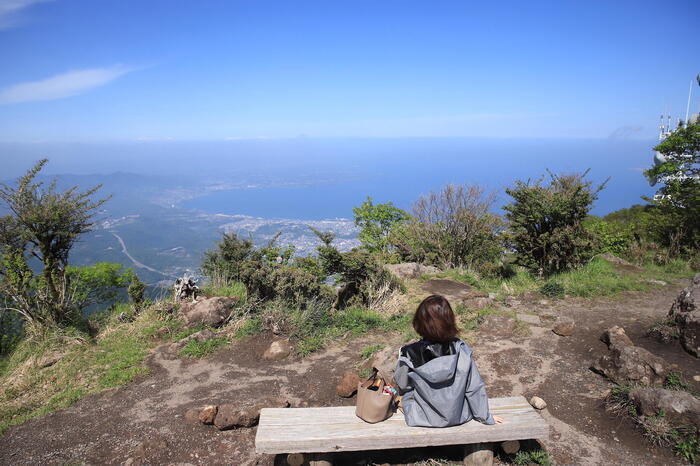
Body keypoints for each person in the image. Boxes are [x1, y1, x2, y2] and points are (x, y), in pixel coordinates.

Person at [394, 294, 505, 427]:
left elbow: (403, 385)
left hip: (420, 416)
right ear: (449, 320)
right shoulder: (460, 349)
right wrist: (485, 417)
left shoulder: (408, 353)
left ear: (419, 321)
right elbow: (474, 387)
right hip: (459, 416)